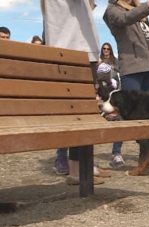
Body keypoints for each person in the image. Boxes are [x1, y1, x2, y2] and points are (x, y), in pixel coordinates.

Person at [41, 0, 110, 184]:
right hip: (74, 49)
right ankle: (77, 170)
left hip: (78, 49)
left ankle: (83, 167)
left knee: (83, 114)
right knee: (79, 115)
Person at [104, 0, 149, 169]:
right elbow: (125, 19)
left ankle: (147, 153)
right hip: (131, 69)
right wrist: (146, 7)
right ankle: (116, 153)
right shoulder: (112, 10)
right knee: (124, 113)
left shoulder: (140, 12)